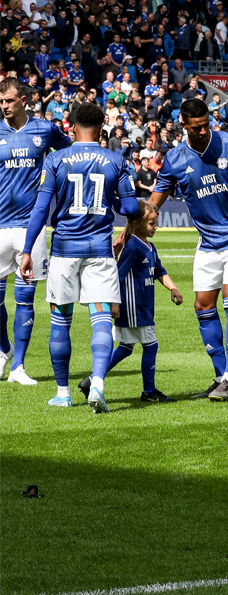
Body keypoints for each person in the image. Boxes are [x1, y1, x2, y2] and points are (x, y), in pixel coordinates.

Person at [140, 97, 228, 402]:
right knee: (203, 306)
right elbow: (153, 204)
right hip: (208, 241)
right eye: (197, 127)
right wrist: (128, 232)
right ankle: (220, 376)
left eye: (206, 125)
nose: (204, 131)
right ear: (183, 124)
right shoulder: (175, 159)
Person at [22, 102, 138, 411]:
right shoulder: (117, 160)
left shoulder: (57, 159)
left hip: (63, 250)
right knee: (101, 319)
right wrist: (113, 197)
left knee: (61, 319)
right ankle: (97, 382)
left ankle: (63, 393)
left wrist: (26, 250)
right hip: (99, 250)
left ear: (73, 127)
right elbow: (132, 210)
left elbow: (41, 209)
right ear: (102, 129)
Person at [0, 77, 72, 386]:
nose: (4, 106)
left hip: (32, 225)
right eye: (1, 102)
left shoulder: (44, 129)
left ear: (24, 101)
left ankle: (18, 367)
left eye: (10, 101)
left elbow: (69, 149)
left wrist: (55, 179)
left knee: (25, 297)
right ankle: (4, 348)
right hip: (0, 224)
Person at [82, 201, 182, 404]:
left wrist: (173, 288)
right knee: (151, 347)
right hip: (134, 308)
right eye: (151, 223)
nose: (155, 227)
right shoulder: (133, 247)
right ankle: (149, 391)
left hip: (142, 307)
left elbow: (159, 271)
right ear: (136, 224)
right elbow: (117, 276)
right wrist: (115, 303)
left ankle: (92, 379)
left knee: (126, 347)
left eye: (156, 223)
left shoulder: (149, 247)